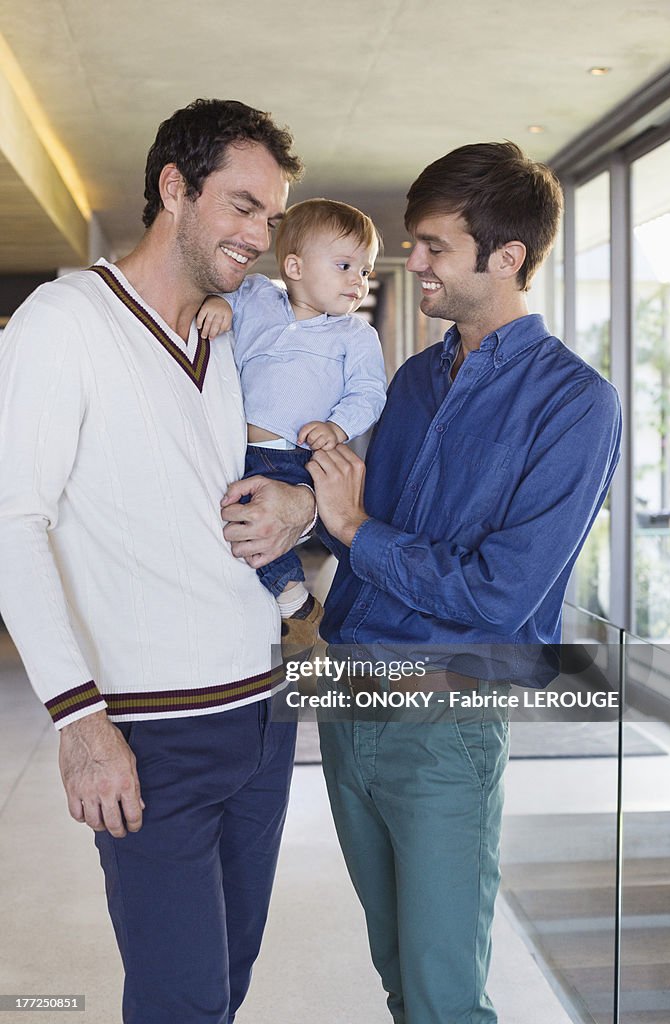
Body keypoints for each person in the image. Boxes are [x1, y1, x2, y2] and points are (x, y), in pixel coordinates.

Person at [0, 99, 315, 1024]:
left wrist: (296, 509)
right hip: (151, 733)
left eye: (271, 215)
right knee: (180, 1001)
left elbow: (264, 474)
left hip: (260, 713)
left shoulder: (226, 337)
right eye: (243, 206)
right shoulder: (63, 322)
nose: (260, 234)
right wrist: (78, 721)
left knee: (224, 989)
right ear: (174, 189)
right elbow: (11, 522)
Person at [306, 142, 622, 1024]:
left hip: (443, 724)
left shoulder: (575, 404)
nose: (414, 265)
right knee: (400, 977)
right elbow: (357, 525)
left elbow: (499, 597)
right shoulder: (410, 380)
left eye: (435, 246)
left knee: (445, 997)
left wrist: (356, 530)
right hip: (348, 698)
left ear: (507, 256)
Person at [197, 198, 386, 648]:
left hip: (290, 457)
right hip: (227, 448)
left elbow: (370, 393)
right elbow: (216, 296)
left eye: (365, 271)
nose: (358, 281)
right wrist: (216, 303)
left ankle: (294, 603)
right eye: (344, 265)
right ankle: (282, 608)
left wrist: (338, 427)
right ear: (296, 267)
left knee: (255, 526)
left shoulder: (355, 335)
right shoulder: (257, 295)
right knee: (221, 523)